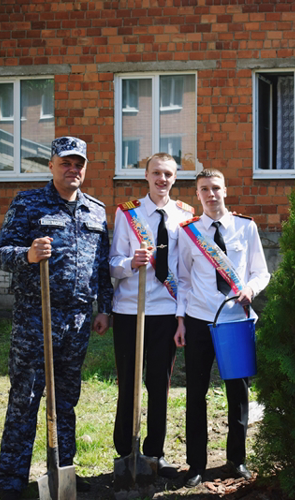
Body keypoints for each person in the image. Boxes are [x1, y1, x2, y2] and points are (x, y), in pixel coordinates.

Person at [0, 136, 113, 500]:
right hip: (35, 318)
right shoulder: (29, 203)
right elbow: (1, 252)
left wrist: (103, 307)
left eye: (79, 164)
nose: (72, 169)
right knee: (26, 399)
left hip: (77, 321)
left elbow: (102, 267)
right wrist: (27, 255)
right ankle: (11, 481)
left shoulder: (96, 210)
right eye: (66, 163)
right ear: (51, 165)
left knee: (65, 400)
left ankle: (63, 474)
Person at [174, 168, 271, 488]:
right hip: (200, 320)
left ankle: (236, 459)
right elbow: (183, 281)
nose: (211, 194)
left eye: (216, 188)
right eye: (204, 189)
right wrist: (181, 320)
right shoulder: (188, 233)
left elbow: (262, 272)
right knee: (196, 395)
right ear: (197, 194)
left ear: (225, 190)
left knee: (238, 395)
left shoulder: (246, 227)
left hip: (236, 322)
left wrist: (251, 290)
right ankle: (196, 465)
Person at [108, 152, 194, 477]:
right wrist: (131, 262)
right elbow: (112, 262)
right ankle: (125, 452)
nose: (162, 179)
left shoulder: (185, 215)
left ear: (175, 178)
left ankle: (154, 454)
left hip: (166, 311)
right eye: (156, 173)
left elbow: (185, 273)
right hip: (131, 309)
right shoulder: (127, 214)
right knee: (128, 383)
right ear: (146, 176)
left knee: (160, 384)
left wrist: (182, 316)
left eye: (168, 174)